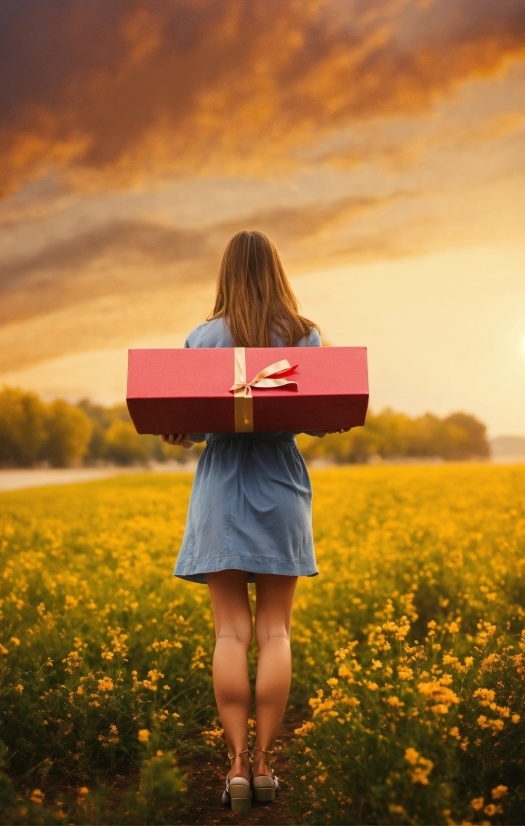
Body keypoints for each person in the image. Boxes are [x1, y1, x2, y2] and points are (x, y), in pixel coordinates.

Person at [162, 230, 347, 811]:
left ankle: (236, 766)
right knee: (275, 632)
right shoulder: (303, 334)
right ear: (276, 270)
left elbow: (187, 426)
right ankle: (267, 764)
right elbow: (319, 416)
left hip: (222, 487)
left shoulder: (202, 337)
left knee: (229, 633)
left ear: (225, 274)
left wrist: (178, 433)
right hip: (280, 485)